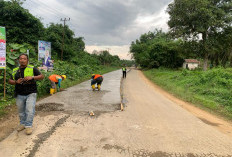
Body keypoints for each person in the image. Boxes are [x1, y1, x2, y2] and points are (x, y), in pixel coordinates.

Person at [8, 53, 44, 135]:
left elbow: (42, 76)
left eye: (24, 59)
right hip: (19, 93)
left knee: (29, 110)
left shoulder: (32, 68)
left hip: (31, 92)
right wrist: (16, 82)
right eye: (21, 59)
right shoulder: (15, 70)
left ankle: (28, 126)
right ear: (18, 60)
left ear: (27, 60)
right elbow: (10, 81)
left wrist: (32, 77)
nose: (22, 60)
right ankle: (22, 124)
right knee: (21, 111)